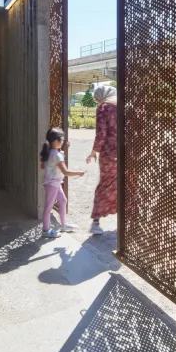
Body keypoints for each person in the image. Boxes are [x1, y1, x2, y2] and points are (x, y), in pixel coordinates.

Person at [41, 127, 84, 239]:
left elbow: (43, 165)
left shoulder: (49, 151)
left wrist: (64, 148)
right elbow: (65, 171)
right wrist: (79, 173)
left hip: (53, 183)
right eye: (62, 140)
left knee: (63, 201)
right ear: (56, 141)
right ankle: (46, 230)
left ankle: (63, 225)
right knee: (48, 207)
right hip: (53, 184)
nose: (63, 142)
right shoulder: (57, 155)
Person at [86, 85, 117, 235]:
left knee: (104, 185)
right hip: (126, 153)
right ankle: (128, 221)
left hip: (109, 154)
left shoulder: (103, 108)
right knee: (125, 185)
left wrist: (94, 151)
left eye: (96, 97)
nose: (96, 100)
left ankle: (96, 222)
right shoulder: (124, 106)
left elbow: (101, 134)